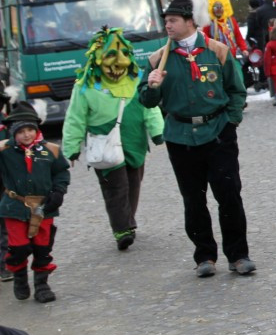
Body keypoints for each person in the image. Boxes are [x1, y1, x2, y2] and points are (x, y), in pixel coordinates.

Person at [139, 0, 254, 278]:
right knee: (193, 199)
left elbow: (236, 90)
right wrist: (153, 87)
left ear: (190, 22)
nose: (168, 25)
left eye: (173, 21)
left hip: (218, 133)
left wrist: (232, 121)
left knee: (228, 195)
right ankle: (204, 256)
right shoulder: (157, 59)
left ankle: (238, 255)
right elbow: (146, 101)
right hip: (180, 137)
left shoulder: (217, 51)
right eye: (165, 21)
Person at [61, 28, 164, 250]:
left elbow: (150, 107)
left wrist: (157, 131)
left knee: (134, 183)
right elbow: (75, 118)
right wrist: (71, 148)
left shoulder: (136, 79)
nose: (117, 65)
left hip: (134, 141)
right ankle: (122, 229)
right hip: (103, 143)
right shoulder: (85, 86)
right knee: (115, 187)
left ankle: (128, 219)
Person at [1, 101, 70, 303]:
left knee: (42, 247)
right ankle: (20, 276)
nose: (26, 134)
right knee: (19, 247)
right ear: (13, 133)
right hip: (14, 206)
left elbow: (61, 172)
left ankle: (42, 285)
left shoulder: (51, 150)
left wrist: (58, 192)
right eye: (21, 131)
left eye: (30, 129)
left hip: (43, 206)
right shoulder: (5, 151)